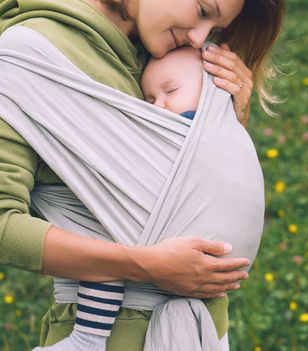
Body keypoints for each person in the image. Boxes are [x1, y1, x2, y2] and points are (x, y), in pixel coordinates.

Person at [0, 0, 285, 349]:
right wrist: (146, 265)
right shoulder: (36, 55)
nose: (200, 37)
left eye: (214, 27)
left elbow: (184, 194)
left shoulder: (177, 65)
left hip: (203, 332)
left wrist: (226, 121)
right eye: (201, 10)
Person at [34, 47, 208, 351]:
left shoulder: (196, 128)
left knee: (103, 248)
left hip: (168, 237)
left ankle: (88, 339)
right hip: (158, 238)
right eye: (150, 100)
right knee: (103, 249)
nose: (161, 106)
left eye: (172, 90)